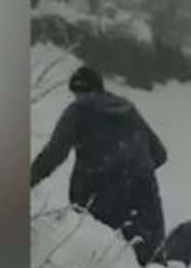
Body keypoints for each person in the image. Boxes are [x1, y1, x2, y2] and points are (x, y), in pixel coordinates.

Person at [31, 66, 168, 266]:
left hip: (101, 194)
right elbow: (160, 154)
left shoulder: (78, 111)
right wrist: (134, 170)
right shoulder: (128, 110)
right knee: (151, 259)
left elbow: (54, 154)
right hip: (144, 193)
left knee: (104, 258)